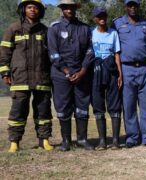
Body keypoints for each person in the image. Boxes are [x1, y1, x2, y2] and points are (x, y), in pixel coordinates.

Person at [0, 0, 53, 153]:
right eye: (29, 7)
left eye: (36, 7)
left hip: (41, 78)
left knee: (43, 111)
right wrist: (5, 72)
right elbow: (4, 53)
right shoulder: (14, 28)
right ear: (23, 9)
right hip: (20, 77)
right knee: (18, 111)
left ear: (40, 11)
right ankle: (14, 142)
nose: (33, 10)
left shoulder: (44, 30)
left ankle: (44, 140)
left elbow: (50, 54)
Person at [112, 0, 146, 148]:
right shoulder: (117, 24)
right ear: (126, 7)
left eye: (135, 5)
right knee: (129, 105)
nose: (133, 8)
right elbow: (114, 47)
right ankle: (132, 137)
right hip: (127, 69)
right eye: (130, 5)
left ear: (139, 7)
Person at [48, 0, 94, 151]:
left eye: (72, 7)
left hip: (82, 75)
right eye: (66, 7)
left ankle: (82, 139)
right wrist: (67, 72)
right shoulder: (54, 28)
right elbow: (53, 54)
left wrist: (82, 71)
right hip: (61, 75)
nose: (69, 9)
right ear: (62, 9)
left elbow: (90, 51)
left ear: (76, 8)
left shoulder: (85, 28)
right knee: (63, 107)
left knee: (82, 107)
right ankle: (66, 141)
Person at [91, 7, 122, 150]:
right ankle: (102, 141)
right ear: (94, 19)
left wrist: (120, 74)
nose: (102, 18)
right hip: (96, 72)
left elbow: (117, 55)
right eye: (99, 16)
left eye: (104, 15)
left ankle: (115, 140)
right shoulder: (91, 34)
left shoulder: (113, 33)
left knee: (114, 104)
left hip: (111, 71)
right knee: (98, 105)